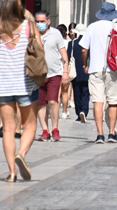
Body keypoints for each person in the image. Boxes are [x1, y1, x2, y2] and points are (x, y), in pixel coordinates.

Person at [0, 0, 41, 182]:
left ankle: (12, 172)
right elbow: (40, 52)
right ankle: (21, 154)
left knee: (7, 129)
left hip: (3, 85)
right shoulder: (29, 26)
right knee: (30, 126)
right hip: (25, 84)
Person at [79, 2, 117, 144]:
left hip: (95, 68)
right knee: (113, 102)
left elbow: (83, 50)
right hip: (113, 69)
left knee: (98, 102)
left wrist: (84, 64)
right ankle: (112, 132)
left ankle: (100, 134)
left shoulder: (92, 27)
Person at [35, 10, 69, 142]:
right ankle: (45, 130)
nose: (40, 24)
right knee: (40, 104)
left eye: (42, 21)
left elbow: (64, 54)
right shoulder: (32, 34)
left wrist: (65, 71)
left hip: (54, 73)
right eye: (37, 21)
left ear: (48, 21)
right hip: (38, 74)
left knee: (53, 101)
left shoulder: (56, 34)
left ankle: (55, 128)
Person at [68, 24, 89, 123]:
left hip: (75, 72)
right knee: (86, 93)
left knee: (77, 93)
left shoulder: (72, 44)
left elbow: (68, 58)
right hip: (87, 71)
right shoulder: (89, 43)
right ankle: (84, 111)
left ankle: (78, 112)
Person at [60, 23, 77, 119]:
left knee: (58, 93)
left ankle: (56, 110)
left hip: (56, 68)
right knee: (65, 92)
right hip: (65, 68)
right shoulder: (68, 43)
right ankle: (64, 112)